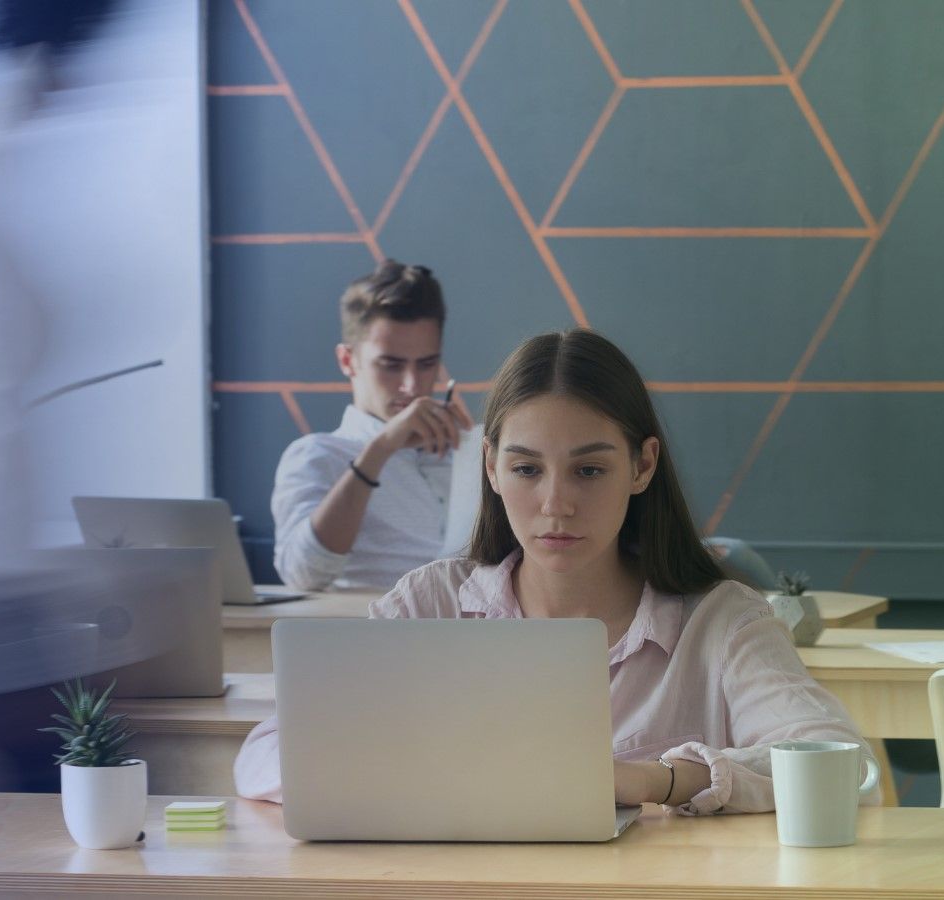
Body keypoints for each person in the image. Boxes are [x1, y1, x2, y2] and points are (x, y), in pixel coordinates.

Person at [237, 329, 875, 813]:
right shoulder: (429, 602)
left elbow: (846, 768)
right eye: (526, 469)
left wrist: (654, 779)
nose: (555, 503)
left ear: (642, 467)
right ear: (490, 467)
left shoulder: (723, 620)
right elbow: (265, 754)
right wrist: (416, 770)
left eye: (590, 470)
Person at [269, 261, 474, 590]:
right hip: (372, 635)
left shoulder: (465, 455)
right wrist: (380, 449)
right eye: (391, 365)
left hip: (475, 633)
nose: (411, 384)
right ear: (347, 360)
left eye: (426, 364)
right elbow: (303, 575)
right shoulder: (318, 456)